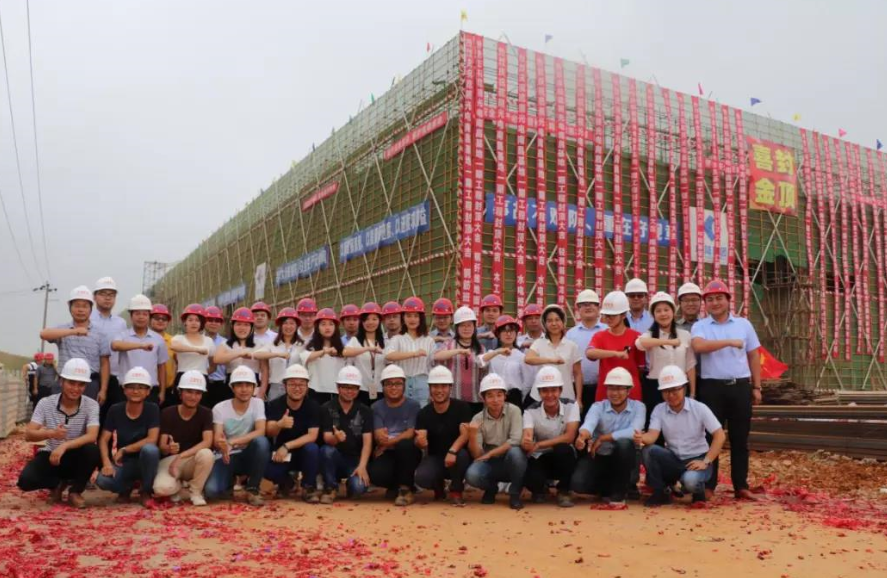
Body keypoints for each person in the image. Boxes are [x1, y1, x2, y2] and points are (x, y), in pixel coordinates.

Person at [691, 279, 762, 501]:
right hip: (711, 388)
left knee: (740, 438)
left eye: (719, 298)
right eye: (710, 299)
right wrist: (729, 342)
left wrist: (757, 386)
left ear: (728, 300)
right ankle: (709, 485)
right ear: (705, 304)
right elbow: (699, 346)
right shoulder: (700, 326)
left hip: (739, 386)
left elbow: (753, 355)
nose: (715, 303)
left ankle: (741, 485)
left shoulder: (744, 325)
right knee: (709, 437)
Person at [17, 358, 101, 509]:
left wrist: (64, 446)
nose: (76, 389)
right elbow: (29, 434)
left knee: (92, 450)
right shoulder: (45, 403)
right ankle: (56, 484)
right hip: (51, 455)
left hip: (76, 456)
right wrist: (51, 433)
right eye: (71, 383)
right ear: (61, 381)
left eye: (81, 384)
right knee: (25, 481)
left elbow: (92, 435)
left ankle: (75, 491)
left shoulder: (91, 405)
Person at [638, 365, 726, 506]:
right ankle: (661, 491)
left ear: (684, 388)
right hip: (674, 459)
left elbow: (720, 435)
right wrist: (641, 438)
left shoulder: (699, 408)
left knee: (690, 481)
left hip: (698, 459)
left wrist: (706, 461)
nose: (670, 395)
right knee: (648, 450)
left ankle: (698, 491)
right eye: (666, 391)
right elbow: (652, 436)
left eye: (675, 389)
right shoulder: (659, 410)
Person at [571, 367, 645, 506]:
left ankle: (619, 493)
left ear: (628, 390)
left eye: (619, 388)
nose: (614, 393)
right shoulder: (598, 407)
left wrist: (603, 438)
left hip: (626, 459)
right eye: (611, 388)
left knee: (624, 443)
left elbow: (634, 431)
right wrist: (582, 436)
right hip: (602, 456)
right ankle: (610, 488)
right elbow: (589, 424)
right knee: (578, 484)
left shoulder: (638, 407)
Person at [205, 365, 270, 506]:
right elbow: (217, 439)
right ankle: (229, 482)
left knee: (262, 442)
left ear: (254, 387)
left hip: (249, 454)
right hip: (227, 456)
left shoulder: (258, 403)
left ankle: (253, 488)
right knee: (211, 491)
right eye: (239, 385)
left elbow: (261, 431)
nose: (244, 389)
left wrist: (232, 442)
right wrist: (222, 444)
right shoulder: (220, 408)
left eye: (248, 385)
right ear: (232, 387)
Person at [96, 367, 160, 507]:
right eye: (131, 387)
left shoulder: (152, 409)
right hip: (125, 463)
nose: (135, 391)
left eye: (141, 387)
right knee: (102, 480)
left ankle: (146, 491)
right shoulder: (115, 409)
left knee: (150, 450)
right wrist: (106, 463)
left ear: (148, 391)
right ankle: (125, 488)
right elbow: (103, 439)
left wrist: (125, 449)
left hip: (145, 461)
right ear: (124, 390)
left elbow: (152, 439)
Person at [465, 373, 526, 510]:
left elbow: (515, 440)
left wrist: (490, 454)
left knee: (516, 453)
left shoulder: (514, 411)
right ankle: (491, 488)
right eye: (490, 396)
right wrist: (472, 435)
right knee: (472, 475)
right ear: (483, 398)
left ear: (505, 396)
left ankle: (515, 493)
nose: (495, 400)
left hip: (510, 459)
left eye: (499, 395)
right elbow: (477, 455)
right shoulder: (477, 418)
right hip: (490, 463)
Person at [637, 292, 697, 430]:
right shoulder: (649, 335)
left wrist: (692, 393)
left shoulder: (685, 335)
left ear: (673, 312)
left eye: (666, 310)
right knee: (656, 428)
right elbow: (640, 343)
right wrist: (668, 342)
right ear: (653, 315)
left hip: (680, 387)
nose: (663, 314)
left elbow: (690, 365)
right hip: (655, 387)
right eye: (658, 311)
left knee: (681, 427)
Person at [521, 366, 580, 507]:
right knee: (531, 478)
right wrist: (527, 441)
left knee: (563, 449)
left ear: (560, 390)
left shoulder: (572, 405)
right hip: (540, 456)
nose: (549, 395)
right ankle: (541, 488)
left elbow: (569, 437)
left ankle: (564, 490)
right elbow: (527, 435)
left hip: (562, 456)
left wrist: (539, 444)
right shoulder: (530, 411)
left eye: (553, 390)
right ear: (539, 392)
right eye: (545, 391)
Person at [153, 370, 214, 506]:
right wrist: (169, 448)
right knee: (161, 489)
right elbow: (162, 446)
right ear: (180, 393)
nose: (193, 397)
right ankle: (179, 488)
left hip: (192, 459)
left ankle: (195, 491)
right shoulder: (168, 412)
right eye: (189, 392)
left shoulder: (206, 413)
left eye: (197, 393)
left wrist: (181, 456)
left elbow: (207, 441)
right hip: (169, 460)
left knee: (207, 454)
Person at [40, 286, 110, 403]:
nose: (80, 310)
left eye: (85, 306)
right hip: (64, 382)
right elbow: (44, 334)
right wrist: (73, 331)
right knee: (57, 413)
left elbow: (104, 363)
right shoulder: (62, 330)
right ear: (70, 307)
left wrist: (103, 390)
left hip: (89, 384)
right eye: (77, 306)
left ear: (91, 308)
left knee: (88, 414)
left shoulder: (100, 334)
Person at [414, 366, 473, 505]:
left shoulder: (462, 407)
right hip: (436, 457)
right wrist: (420, 442)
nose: (439, 390)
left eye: (443, 386)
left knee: (461, 456)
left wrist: (452, 451)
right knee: (422, 477)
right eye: (435, 386)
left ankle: (456, 490)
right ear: (429, 388)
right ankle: (438, 486)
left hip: (458, 454)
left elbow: (465, 434)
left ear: (450, 388)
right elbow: (420, 438)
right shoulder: (424, 413)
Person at [264, 364, 321, 502]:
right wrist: (279, 425)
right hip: (282, 455)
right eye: (292, 384)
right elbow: (269, 431)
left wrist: (287, 446)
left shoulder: (313, 406)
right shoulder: (275, 404)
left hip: (302, 453)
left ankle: (308, 487)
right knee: (266, 469)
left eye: (301, 384)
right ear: (285, 386)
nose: (297, 388)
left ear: (307, 386)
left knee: (312, 449)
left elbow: (312, 436)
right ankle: (286, 482)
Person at [367, 364, 422, 506]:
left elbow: (410, 433)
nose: (393, 387)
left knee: (405, 445)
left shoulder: (413, 406)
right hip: (388, 453)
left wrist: (388, 443)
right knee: (375, 473)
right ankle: (394, 486)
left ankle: (406, 489)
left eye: (398, 383)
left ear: (404, 385)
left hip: (408, 452)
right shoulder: (376, 407)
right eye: (389, 384)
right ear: (383, 386)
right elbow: (379, 435)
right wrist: (384, 442)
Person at [318, 366, 374, 504]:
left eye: (354, 388)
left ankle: (350, 484)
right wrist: (336, 438)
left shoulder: (365, 411)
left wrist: (362, 466)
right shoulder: (327, 408)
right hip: (334, 458)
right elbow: (327, 438)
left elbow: (367, 443)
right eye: (345, 387)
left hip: (355, 460)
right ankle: (330, 487)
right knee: (326, 451)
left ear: (359, 389)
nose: (350, 391)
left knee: (358, 488)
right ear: (338, 387)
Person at [586, 291, 645, 403]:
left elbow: (640, 367)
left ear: (623, 315)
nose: (608, 318)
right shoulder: (600, 336)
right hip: (605, 394)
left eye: (612, 315)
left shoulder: (636, 336)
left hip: (631, 394)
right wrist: (616, 353)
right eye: (606, 315)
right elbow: (590, 353)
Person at [112, 294, 169, 406]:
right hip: (126, 389)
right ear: (131, 316)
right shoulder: (122, 335)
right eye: (137, 313)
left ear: (149, 316)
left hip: (150, 390)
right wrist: (140, 346)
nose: (141, 317)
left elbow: (161, 366)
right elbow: (115, 345)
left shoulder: (158, 339)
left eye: (145, 314)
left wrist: (162, 391)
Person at [524, 304, 583, 406]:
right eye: (549, 321)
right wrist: (552, 360)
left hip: (566, 396)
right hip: (540, 396)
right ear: (545, 324)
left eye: (557, 320)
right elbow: (528, 359)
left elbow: (578, 374)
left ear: (563, 322)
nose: (554, 323)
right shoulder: (538, 343)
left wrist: (579, 398)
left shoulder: (572, 346)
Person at [384, 297, 435, 406]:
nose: (412, 319)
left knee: (422, 413)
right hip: (402, 384)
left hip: (423, 385)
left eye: (416, 316)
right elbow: (388, 355)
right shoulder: (397, 339)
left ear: (421, 318)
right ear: (403, 318)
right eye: (408, 316)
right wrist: (413, 354)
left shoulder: (429, 340)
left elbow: (433, 363)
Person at [434, 306, 486, 412]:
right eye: (462, 325)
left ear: (474, 327)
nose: (466, 329)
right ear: (457, 328)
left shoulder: (480, 348)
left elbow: (485, 371)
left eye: (469, 325)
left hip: (476, 399)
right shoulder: (449, 344)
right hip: (453, 397)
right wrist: (458, 351)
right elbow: (436, 356)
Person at [566, 289, 607, 416]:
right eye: (584, 304)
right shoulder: (571, 334)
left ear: (599, 308)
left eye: (592, 303)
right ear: (578, 309)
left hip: (604, 387)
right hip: (578, 389)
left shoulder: (607, 331)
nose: (588, 307)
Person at [481, 315, 535, 409]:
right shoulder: (492, 354)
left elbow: (528, 382)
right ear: (498, 334)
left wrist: (521, 399)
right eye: (505, 331)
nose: (509, 334)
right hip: (494, 397)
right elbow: (480, 362)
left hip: (514, 398)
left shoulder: (521, 356)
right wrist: (497, 352)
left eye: (512, 331)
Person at [90, 277, 128, 410]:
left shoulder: (121, 323)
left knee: (112, 415)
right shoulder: (87, 319)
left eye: (111, 295)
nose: (107, 298)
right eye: (103, 294)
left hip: (114, 377)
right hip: (91, 376)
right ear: (94, 297)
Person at [169, 304, 217, 406]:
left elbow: (213, 365)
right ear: (185, 322)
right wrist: (197, 349)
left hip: (202, 377)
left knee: (201, 407)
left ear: (201, 323)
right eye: (190, 320)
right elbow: (173, 346)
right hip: (182, 375)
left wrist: (202, 372)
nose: (194, 323)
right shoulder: (178, 338)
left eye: (197, 320)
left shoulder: (208, 341)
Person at [253, 307, 305, 401]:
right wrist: (277, 354)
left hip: (296, 386)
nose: (288, 326)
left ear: (296, 326)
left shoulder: (302, 345)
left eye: (292, 323)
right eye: (285, 323)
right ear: (280, 326)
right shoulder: (273, 344)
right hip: (276, 387)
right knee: (275, 409)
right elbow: (257, 355)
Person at [342, 302, 386, 404]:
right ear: (362, 322)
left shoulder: (385, 341)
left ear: (379, 321)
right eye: (366, 319)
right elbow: (345, 352)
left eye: (374, 319)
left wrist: (382, 352)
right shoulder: (355, 341)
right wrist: (366, 349)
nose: (370, 322)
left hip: (381, 389)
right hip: (361, 389)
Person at [301, 308, 346, 404]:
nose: (327, 327)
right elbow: (306, 357)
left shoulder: (341, 348)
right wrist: (324, 351)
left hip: (336, 392)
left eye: (331, 324)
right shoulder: (311, 347)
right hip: (315, 391)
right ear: (317, 327)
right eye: (323, 324)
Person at [213, 307, 261, 391]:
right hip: (231, 383)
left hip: (253, 384)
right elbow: (217, 359)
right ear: (233, 326)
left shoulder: (259, 344)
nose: (242, 328)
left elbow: (265, 369)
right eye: (238, 324)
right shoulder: (226, 344)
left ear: (251, 327)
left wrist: (262, 390)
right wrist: (239, 353)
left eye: (246, 325)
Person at [203, 306, 230, 408]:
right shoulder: (198, 340)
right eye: (210, 320)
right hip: (202, 382)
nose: (213, 323)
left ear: (221, 324)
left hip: (220, 385)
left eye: (217, 320)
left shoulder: (226, 343)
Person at [150, 304, 177, 402]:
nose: (160, 321)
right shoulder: (144, 339)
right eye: (157, 318)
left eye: (164, 319)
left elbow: (178, 363)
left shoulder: (173, 341)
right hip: (148, 388)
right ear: (150, 319)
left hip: (169, 389)